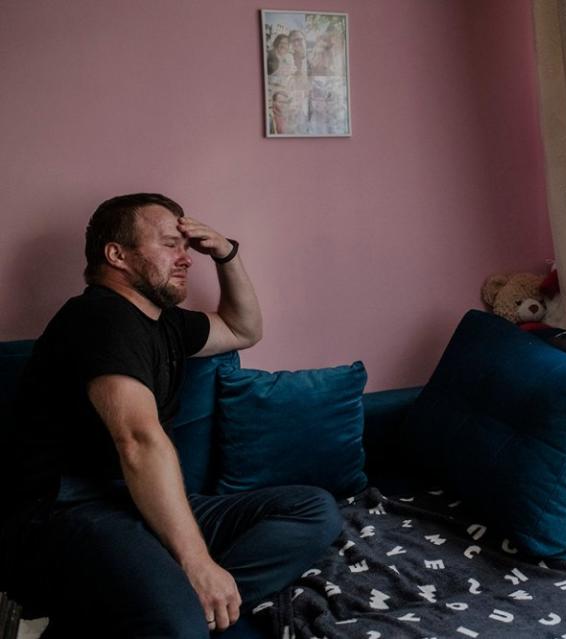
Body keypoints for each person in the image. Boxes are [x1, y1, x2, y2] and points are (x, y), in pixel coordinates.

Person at [0, 193, 342, 637]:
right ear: (117, 255)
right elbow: (138, 440)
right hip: (69, 510)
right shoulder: (98, 318)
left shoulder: (164, 323)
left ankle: (182, 603)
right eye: (169, 245)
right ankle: (176, 605)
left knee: (313, 510)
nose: (186, 259)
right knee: (179, 624)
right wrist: (197, 563)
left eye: (187, 247)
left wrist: (227, 253)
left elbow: (244, 329)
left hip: (142, 503)